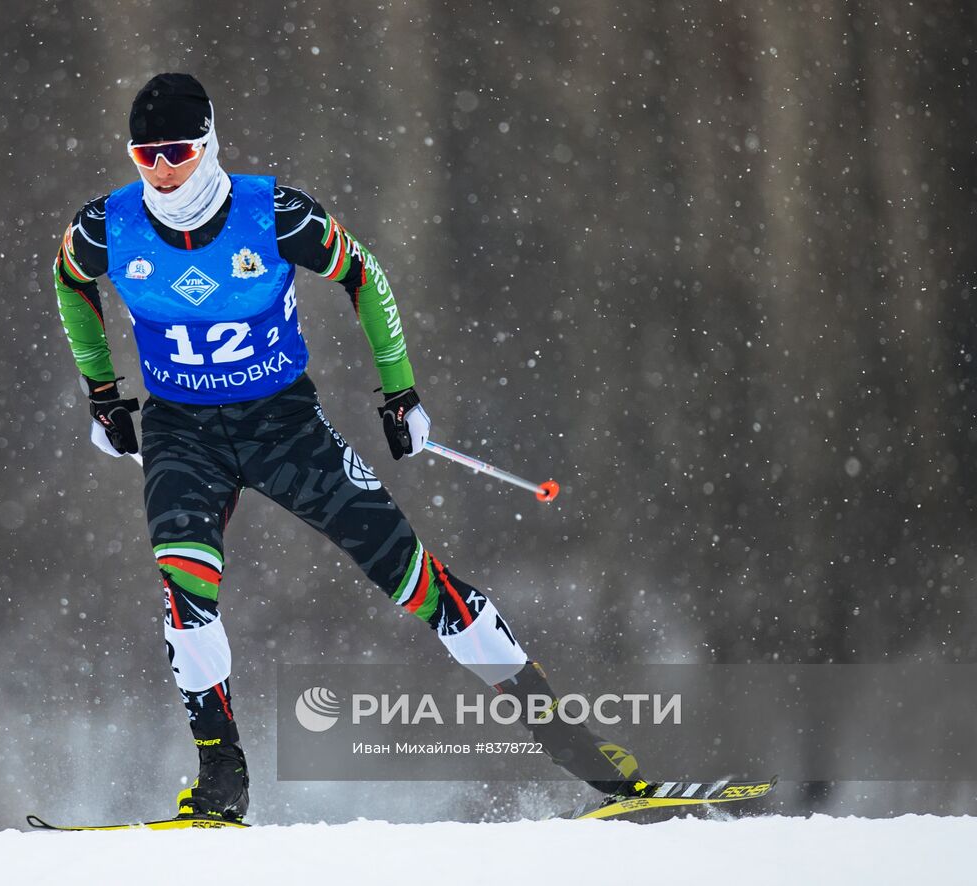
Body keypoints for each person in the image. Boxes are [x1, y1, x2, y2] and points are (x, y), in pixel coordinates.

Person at [53, 73, 644, 822]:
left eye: (177, 150)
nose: (161, 169)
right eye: (145, 153)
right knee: (185, 594)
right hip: (182, 431)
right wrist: (104, 395)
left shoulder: (274, 213)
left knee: (412, 577)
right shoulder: (109, 225)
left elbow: (363, 275)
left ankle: (584, 753)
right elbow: (70, 280)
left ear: (208, 144)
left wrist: (400, 393)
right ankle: (222, 786)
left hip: (284, 426)